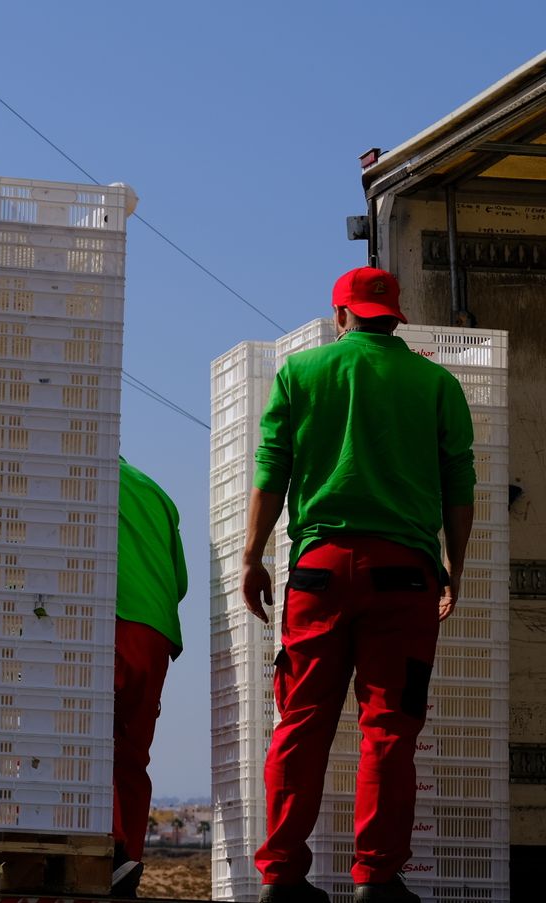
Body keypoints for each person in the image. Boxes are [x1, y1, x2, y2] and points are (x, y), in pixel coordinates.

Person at [241, 267, 475, 903]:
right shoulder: (435, 383)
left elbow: (271, 470)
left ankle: (282, 875)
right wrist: (454, 565)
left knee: (301, 721)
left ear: (340, 314)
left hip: (317, 571)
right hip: (405, 576)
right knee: (389, 729)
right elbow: (460, 486)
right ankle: (376, 877)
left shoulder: (301, 374)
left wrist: (252, 555)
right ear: (394, 318)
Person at [110, 456, 189, 898]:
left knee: (86, 738)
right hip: (156, 631)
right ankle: (128, 860)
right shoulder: (155, 490)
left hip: (108, 618)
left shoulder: (75, 475)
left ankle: (109, 848)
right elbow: (180, 582)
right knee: (132, 756)